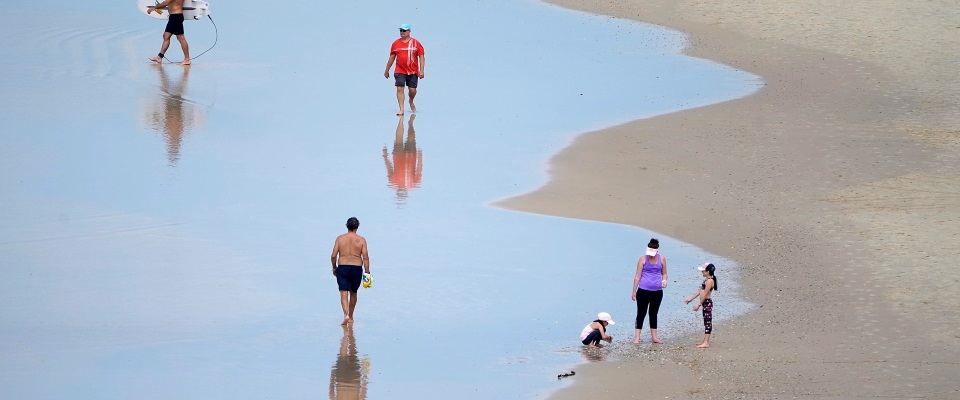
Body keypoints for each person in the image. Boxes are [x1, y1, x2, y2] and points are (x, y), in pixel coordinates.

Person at [331, 217, 370, 325]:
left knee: (343, 292)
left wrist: (334, 268)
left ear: (347, 226)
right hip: (356, 268)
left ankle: (346, 315)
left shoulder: (340, 238)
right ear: (357, 227)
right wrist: (367, 272)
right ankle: (351, 316)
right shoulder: (361, 240)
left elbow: (333, 255)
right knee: (353, 292)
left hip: (342, 267)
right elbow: (365, 257)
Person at [631, 238, 668, 344]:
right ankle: (637, 337)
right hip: (643, 290)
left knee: (653, 313)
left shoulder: (662, 259)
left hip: (657, 291)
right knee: (641, 313)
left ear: (657, 250)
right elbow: (637, 276)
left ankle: (654, 337)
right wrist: (634, 291)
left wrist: (664, 280)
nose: (651, 254)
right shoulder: (642, 259)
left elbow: (664, 273)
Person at [383, 23, 425, 115]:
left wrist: (421, 70)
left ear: (409, 31)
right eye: (401, 30)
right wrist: (387, 70)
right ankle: (401, 109)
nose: (402, 32)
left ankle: (411, 100)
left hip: (413, 71)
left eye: (404, 30)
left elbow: (421, 57)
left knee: (412, 90)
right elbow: (391, 57)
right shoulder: (395, 44)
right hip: (399, 70)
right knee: (400, 88)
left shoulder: (415, 43)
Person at [147, 0, 191, 65]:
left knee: (180, 37)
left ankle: (187, 59)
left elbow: (167, 2)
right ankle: (159, 57)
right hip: (173, 17)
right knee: (166, 36)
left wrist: (154, 8)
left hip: (176, 17)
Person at [685, 263, 718, 348]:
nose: (702, 272)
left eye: (703, 271)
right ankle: (704, 341)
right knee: (705, 322)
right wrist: (690, 299)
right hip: (704, 303)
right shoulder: (706, 280)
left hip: (707, 303)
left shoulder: (710, 281)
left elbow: (705, 294)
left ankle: (706, 342)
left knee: (708, 322)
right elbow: (700, 291)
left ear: (708, 271)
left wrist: (698, 305)